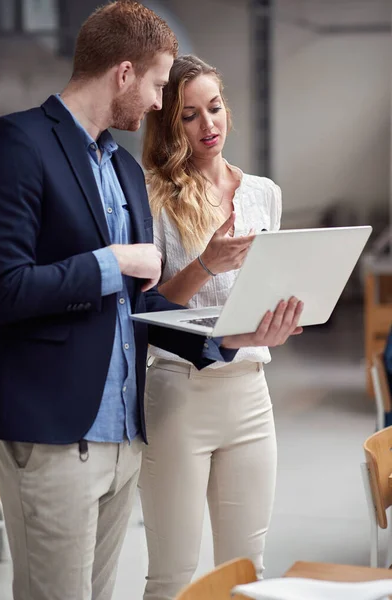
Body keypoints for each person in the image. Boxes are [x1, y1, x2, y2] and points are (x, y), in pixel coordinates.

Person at [0, 4, 303, 600]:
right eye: (161, 86)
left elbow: (146, 308)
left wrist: (229, 339)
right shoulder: (19, 142)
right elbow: (5, 288)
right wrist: (114, 263)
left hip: (124, 433)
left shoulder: (125, 174)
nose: (161, 105)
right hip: (56, 429)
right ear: (125, 73)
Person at [139, 54, 303, 600]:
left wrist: (278, 321)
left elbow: (264, 290)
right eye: (189, 115)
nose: (208, 125)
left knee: (247, 573)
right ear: (168, 123)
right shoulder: (153, 194)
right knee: (172, 574)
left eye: (214, 108)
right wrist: (208, 262)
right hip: (179, 395)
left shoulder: (264, 193)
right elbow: (151, 309)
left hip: (250, 394)